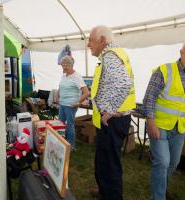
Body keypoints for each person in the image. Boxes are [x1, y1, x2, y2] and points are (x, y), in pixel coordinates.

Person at [87, 25, 136, 200]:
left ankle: (112, 196)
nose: (88, 44)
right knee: (103, 159)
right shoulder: (110, 55)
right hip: (111, 120)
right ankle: (103, 192)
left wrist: (109, 111)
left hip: (113, 120)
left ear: (102, 40)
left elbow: (123, 84)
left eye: (91, 40)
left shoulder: (111, 56)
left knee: (109, 163)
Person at [142, 43, 185, 200]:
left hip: (179, 128)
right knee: (162, 162)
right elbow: (149, 97)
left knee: (173, 163)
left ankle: (162, 187)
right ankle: (158, 196)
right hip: (159, 126)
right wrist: (151, 122)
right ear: (181, 52)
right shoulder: (164, 70)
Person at [58, 55, 89, 150]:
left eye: (65, 66)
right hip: (62, 104)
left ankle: (71, 146)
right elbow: (61, 87)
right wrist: (59, 95)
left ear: (71, 65)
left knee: (69, 125)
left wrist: (78, 102)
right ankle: (61, 143)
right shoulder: (64, 74)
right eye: (62, 66)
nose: (63, 68)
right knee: (60, 124)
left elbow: (86, 92)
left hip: (71, 105)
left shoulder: (77, 76)